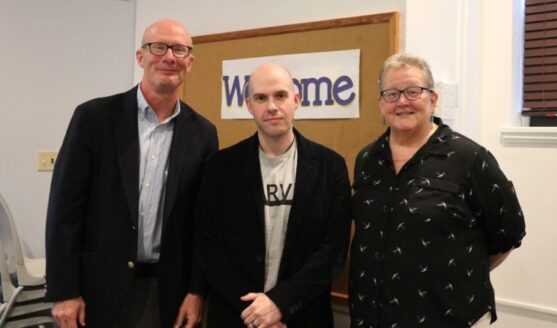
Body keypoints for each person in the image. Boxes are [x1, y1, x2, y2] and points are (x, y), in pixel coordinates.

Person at [45, 19, 218, 328]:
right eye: (158, 47)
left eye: (179, 49)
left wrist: (196, 291)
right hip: (96, 291)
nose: (169, 57)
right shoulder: (94, 119)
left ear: (189, 62)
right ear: (140, 57)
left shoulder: (203, 133)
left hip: (165, 293)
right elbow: (64, 212)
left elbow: (202, 224)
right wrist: (64, 291)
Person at [349, 53, 526, 327]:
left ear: (433, 98)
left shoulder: (469, 158)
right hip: (373, 316)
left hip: (447, 316)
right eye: (391, 93)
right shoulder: (367, 159)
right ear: (381, 104)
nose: (402, 101)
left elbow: (507, 233)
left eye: (413, 91)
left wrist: (450, 275)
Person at [195, 63, 351, 328]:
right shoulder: (220, 167)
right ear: (248, 105)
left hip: (303, 316)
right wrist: (256, 312)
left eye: (280, 95)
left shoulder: (330, 167)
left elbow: (332, 250)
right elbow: (209, 246)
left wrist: (280, 304)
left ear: (296, 99)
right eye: (261, 98)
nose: (271, 106)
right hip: (237, 315)